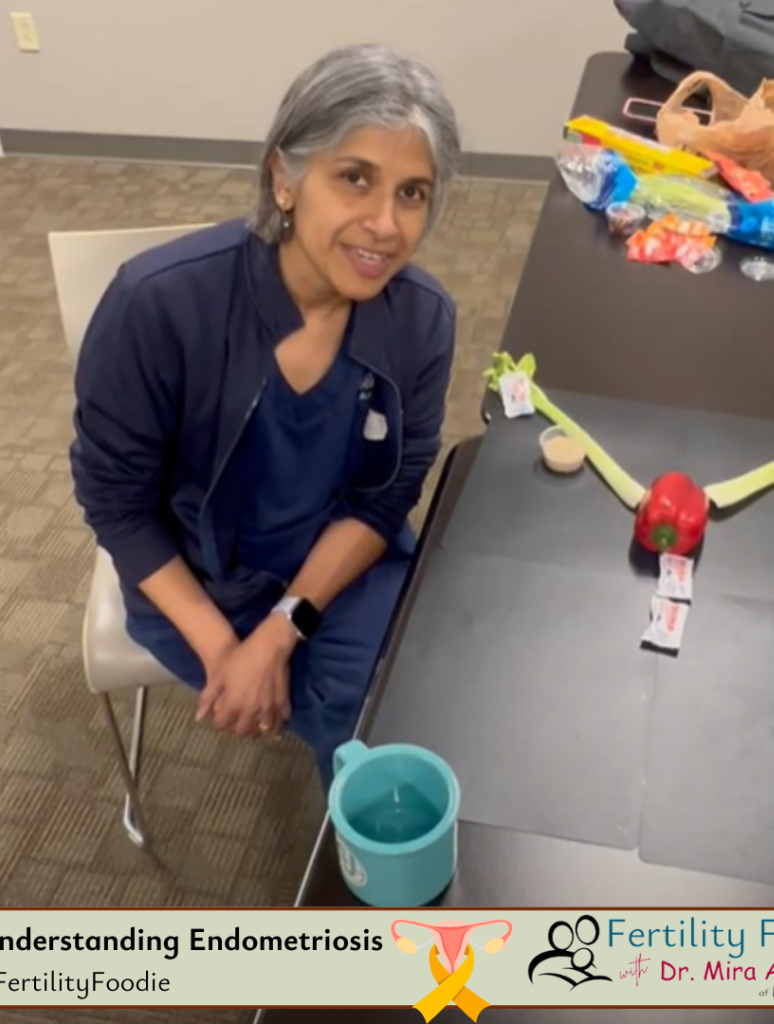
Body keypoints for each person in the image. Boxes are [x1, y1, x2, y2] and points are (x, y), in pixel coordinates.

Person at [69, 43, 462, 792]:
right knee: (364, 723)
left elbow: (383, 499)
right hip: (196, 580)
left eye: (412, 193)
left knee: (401, 710)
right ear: (284, 177)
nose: (385, 224)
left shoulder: (420, 321)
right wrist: (226, 650)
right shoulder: (157, 305)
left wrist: (283, 631)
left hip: (340, 569)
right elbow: (117, 505)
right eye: (355, 178)